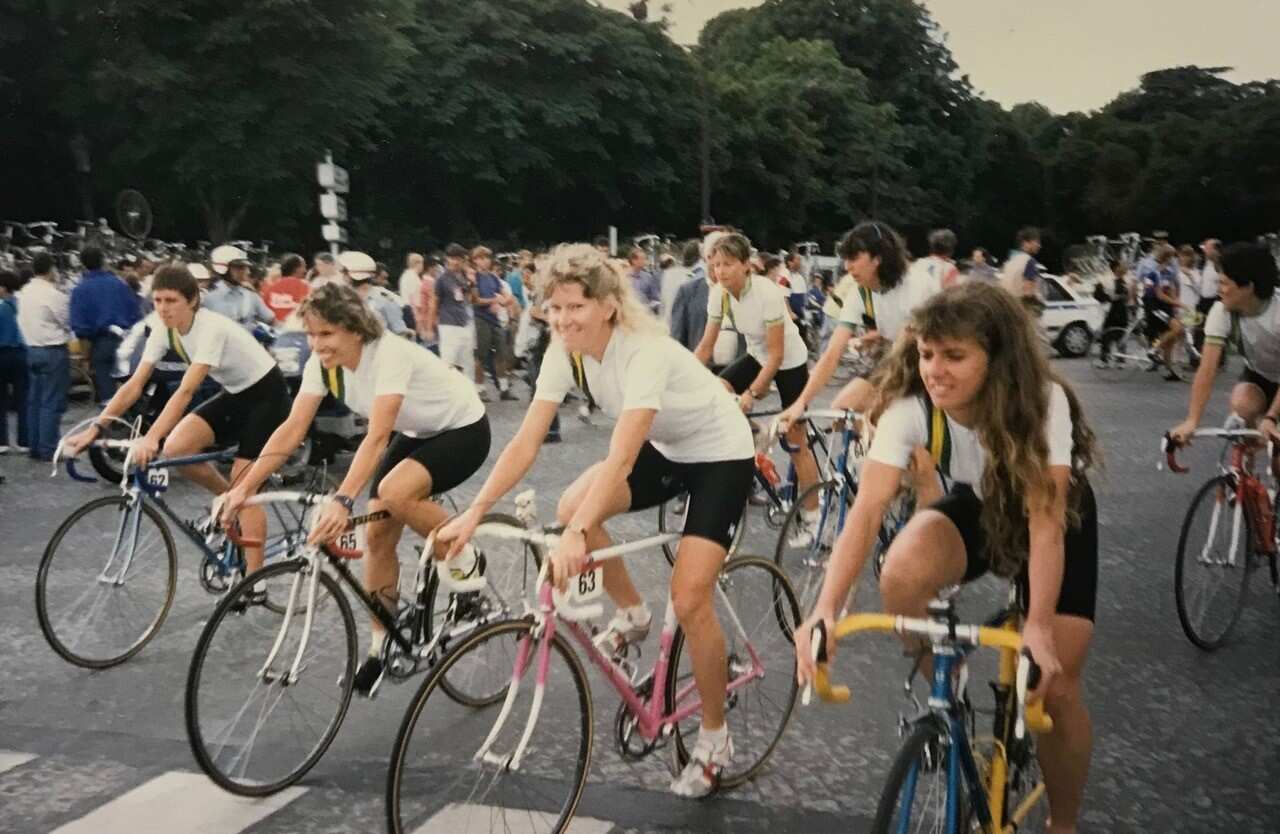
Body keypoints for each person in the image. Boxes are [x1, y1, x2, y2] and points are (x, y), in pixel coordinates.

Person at [438, 243, 754, 797]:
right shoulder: (564, 351)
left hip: (720, 453)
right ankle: (633, 615)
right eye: (554, 308)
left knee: (689, 599)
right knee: (570, 507)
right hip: (668, 448)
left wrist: (579, 534)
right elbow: (526, 440)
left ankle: (714, 737)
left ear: (608, 305)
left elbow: (622, 457)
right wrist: (474, 512)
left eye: (575, 307)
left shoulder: (643, 351)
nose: (562, 320)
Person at [795, 283, 1100, 834]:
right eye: (927, 354)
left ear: (997, 360)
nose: (935, 370)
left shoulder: (1041, 401)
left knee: (1055, 688)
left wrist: (1037, 628)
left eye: (954, 356)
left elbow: (1045, 524)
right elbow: (865, 514)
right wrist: (824, 611)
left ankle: (1063, 822)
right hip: (978, 502)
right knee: (901, 574)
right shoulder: (910, 408)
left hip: (1053, 514)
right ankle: (948, 695)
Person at [221, 282, 489, 695]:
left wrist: (343, 500)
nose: (316, 344)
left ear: (355, 329)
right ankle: (381, 647)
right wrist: (243, 488)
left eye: (326, 333)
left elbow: (377, 437)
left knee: (395, 493)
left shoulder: (389, 354)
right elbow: (292, 428)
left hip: (463, 428)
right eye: (311, 334)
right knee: (377, 535)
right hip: (416, 432)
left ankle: (466, 556)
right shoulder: (322, 364)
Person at [64, 265, 292, 578]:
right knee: (176, 449)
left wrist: (151, 437)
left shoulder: (210, 328)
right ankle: (230, 502)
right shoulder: (163, 329)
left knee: (245, 486)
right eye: (157, 300)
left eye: (171, 300)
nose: (163, 308)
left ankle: (255, 583)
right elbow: (134, 384)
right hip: (236, 393)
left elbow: (186, 391)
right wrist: (96, 428)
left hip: (268, 395)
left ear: (192, 300)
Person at [694, 232, 818, 521]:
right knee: (718, 389)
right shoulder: (719, 294)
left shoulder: (767, 293)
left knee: (796, 442)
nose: (720, 271)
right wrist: (680, 379)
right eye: (716, 265)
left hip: (789, 360)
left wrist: (751, 393)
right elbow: (706, 347)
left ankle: (814, 516)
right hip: (756, 354)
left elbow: (776, 355)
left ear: (745, 265)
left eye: (727, 264)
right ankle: (753, 434)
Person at [779, 221, 921, 426]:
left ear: (878, 258)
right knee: (842, 410)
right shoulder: (860, 292)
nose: (847, 267)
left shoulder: (916, 285)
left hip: (925, 361)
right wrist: (801, 402)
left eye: (854, 258)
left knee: (888, 421)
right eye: (845, 259)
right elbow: (832, 353)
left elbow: (914, 341)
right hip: (893, 357)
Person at [1170, 243, 1280, 444]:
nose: (1218, 290)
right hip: (1260, 375)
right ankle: (1246, 458)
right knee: (1241, 405)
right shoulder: (1222, 311)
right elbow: (1207, 369)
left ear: (1248, 287)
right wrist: (1192, 421)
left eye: (1224, 283)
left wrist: (1271, 417)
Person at [69, 246, 142, 405]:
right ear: (103, 261)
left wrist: (86, 356)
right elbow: (136, 314)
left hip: (101, 344)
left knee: (108, 398)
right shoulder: (120, 284)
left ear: (83, 264)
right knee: (133, 392)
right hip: (127, 340)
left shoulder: (80, 290)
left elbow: (81, 328)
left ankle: (112, 417)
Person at [17, 254, 71, 460]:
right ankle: (49, 447)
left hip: (31, 348)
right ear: (51, 270)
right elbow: (66, 321)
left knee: (35, 400)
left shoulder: (24, 292)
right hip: (53, 349)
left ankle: (35, 445)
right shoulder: (54, 295)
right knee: (51, 401)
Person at [471, 246, 517, 401]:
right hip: (480, 319)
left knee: (501, 354)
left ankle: (504, 389)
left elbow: (507, 296)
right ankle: (479, 389)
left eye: (487, 258)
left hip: (495, 319)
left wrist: (503, 301)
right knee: (481, 355)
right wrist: (494, 300)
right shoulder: (474, 277)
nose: (485, 261)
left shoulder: (493, 277)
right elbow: (475, 300)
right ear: (475, 260)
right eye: (481, 258)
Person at [1139, 244, 1184, 380]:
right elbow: (1159, 295)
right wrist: (1179, 303)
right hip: (1154, 306)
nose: (1174, 259)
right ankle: (1154, 349)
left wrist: (1175, 304)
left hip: (1165, 306)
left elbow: (1170, 290)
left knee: (1171, 339)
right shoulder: (1154, 273)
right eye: (1172, 256)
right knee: (1177, 328)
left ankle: (1170, 371)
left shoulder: (1169, 272)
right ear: (1167, 257)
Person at [205, 245, 275, 330]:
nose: (247, 272)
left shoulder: (251, 295)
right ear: (224, 268)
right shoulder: (208, 298)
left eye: (246, 267)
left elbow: (271, 319)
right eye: (240, 267)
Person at [435, 243, 477, 386]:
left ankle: (469, 392)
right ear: (447, 259)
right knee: (448, 361)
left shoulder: (464, 277)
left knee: (467, 361)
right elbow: (435, 301)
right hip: (448, 324)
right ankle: (446, 392)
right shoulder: (442, 279)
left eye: (459, 258)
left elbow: (471, 299)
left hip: (464, 322)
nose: (456, 261)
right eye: (453, 258)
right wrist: (431, 323)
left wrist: (472, 283)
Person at [344, 250, 409, 336]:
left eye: (345, 272)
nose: (343, 276)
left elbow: (400, 331)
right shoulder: (344, 298)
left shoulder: (383, 299)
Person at [0, 270, 29, 453]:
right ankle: (24, 441)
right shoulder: (23, 305)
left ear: (3, 288)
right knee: (23, 398)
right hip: (22, 354)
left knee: (1, 399)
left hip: (2, 354)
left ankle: (2, 442)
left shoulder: (1, 308)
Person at [907, 228, 961, 297]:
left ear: (931, 246)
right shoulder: (949, 268)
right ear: (952, 249)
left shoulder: (917, 264)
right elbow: (951, 297)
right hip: (936, 302)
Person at [260, 253, 310, 324]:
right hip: (295, 327)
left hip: (273, 327)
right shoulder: (304, 286)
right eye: (303, 267)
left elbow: (263, 312)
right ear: (296, 269)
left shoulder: (269, 287)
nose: (305, 270)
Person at [626, 245, 662, 315]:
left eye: (645, 258)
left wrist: (652, 306)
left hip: (644, 313)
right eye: (642, 259)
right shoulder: (623, 277)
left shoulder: (648, 277)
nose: (645, 261)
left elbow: (655, 298)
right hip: (627, 313)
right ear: (633, 261)